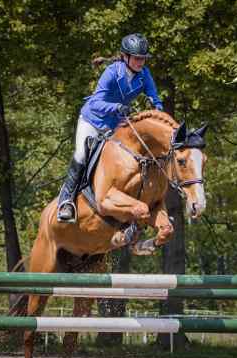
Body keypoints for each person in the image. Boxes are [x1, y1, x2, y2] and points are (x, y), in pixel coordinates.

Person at [57, 33, 164, 223]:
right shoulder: (112, 72)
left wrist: (157, 112)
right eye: (137, 58)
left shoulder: (145, 74)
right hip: (93, 120)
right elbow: (96, 102)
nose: (141, 62)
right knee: (81, 155)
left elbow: (155, 99)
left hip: (115, 124)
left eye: (143, 58)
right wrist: (117, 107)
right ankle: (66, 201)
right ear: (125, 57)